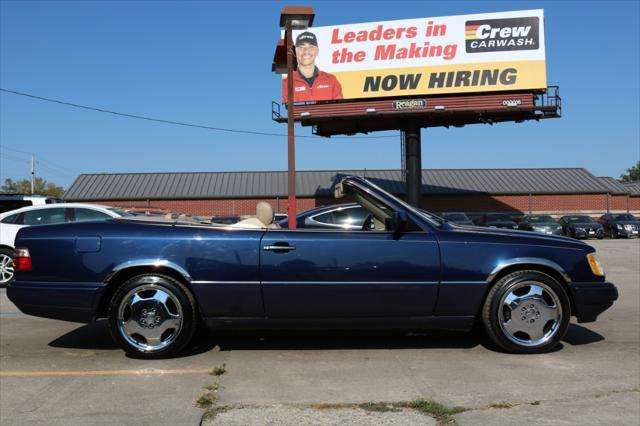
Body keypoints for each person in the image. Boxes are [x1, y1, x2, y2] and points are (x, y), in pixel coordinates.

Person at [282, 31, 343, 103]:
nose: (306, 51)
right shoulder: (286, 83)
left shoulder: (331, 80)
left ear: (317, 51)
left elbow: (340, 104)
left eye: (311, 47)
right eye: (301, 47)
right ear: (295, 52)